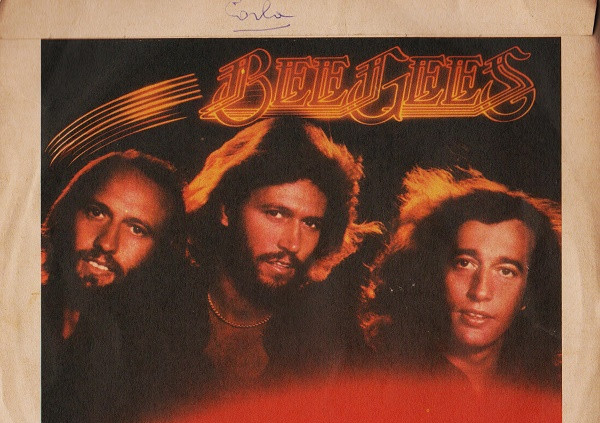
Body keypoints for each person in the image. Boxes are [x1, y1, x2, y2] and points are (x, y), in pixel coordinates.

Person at [184, 117, 381, 389]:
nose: (293, 244)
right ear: (226, 209)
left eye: (311, 224)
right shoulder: (163, 311)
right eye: (276, 214)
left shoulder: (324, 347)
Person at [42, 150, 190, 423]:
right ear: (68, 210)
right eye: (96, 212)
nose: (107, 243)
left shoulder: (114, 339)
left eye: (137, 229)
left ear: (159, 251)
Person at [362, 166, 561, 393]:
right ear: (434, 271)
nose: (480, 291)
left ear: (530, 289)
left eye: (505, 271)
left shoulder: (551, 389)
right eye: (465, 263)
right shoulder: (379, 379)